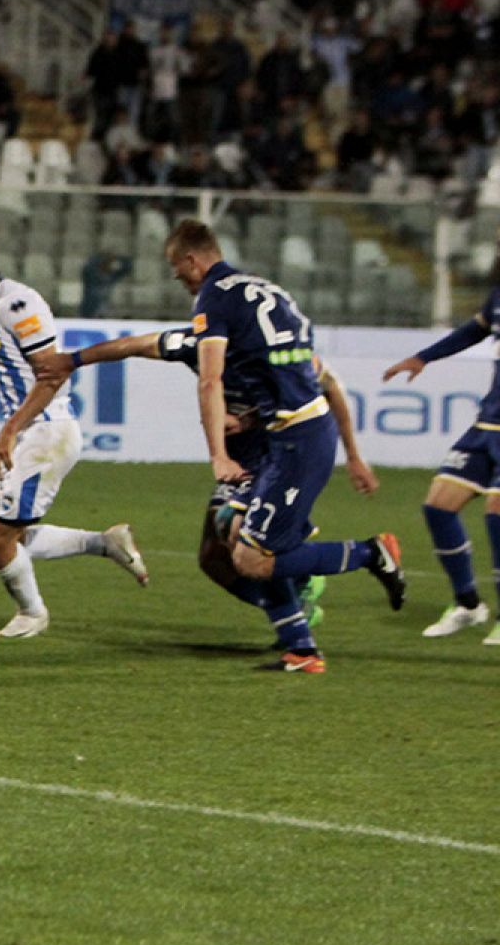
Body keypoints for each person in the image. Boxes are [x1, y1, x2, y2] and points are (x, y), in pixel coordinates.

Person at [165, 218, 405, 672]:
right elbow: (319, 377)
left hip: (295, 440)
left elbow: (210, 379)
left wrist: (218, 453)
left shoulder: (216, 300)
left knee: (252, 557)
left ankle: (367, 554)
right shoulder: (269, 297)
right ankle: (301, 648)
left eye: (177, 268)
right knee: (230, 536)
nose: (177, 276)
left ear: (192, 261)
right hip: (286, 439)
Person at [44, 328, 379, 645]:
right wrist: (73, 360)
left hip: (275, 457)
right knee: (213, 560)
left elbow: (329, 387)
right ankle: (298, 594)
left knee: (237, 533)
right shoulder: (197, 345)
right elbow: (134, 345)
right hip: (239, 461)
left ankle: (306, 609)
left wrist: (353, 456)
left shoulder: (268, 351)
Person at [0, 219, 147, 639]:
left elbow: (51, 375)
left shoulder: (18, 304)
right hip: (31, 433)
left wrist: (10, 431)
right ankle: (105, 543)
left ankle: (32, 614)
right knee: (14, 534)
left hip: (47, 431)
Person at [381, 241, 500, 643]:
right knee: (438, 506)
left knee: (497, 514)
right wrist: (424, 357)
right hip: (487, 423)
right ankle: (468, 604)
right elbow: (476, 329)